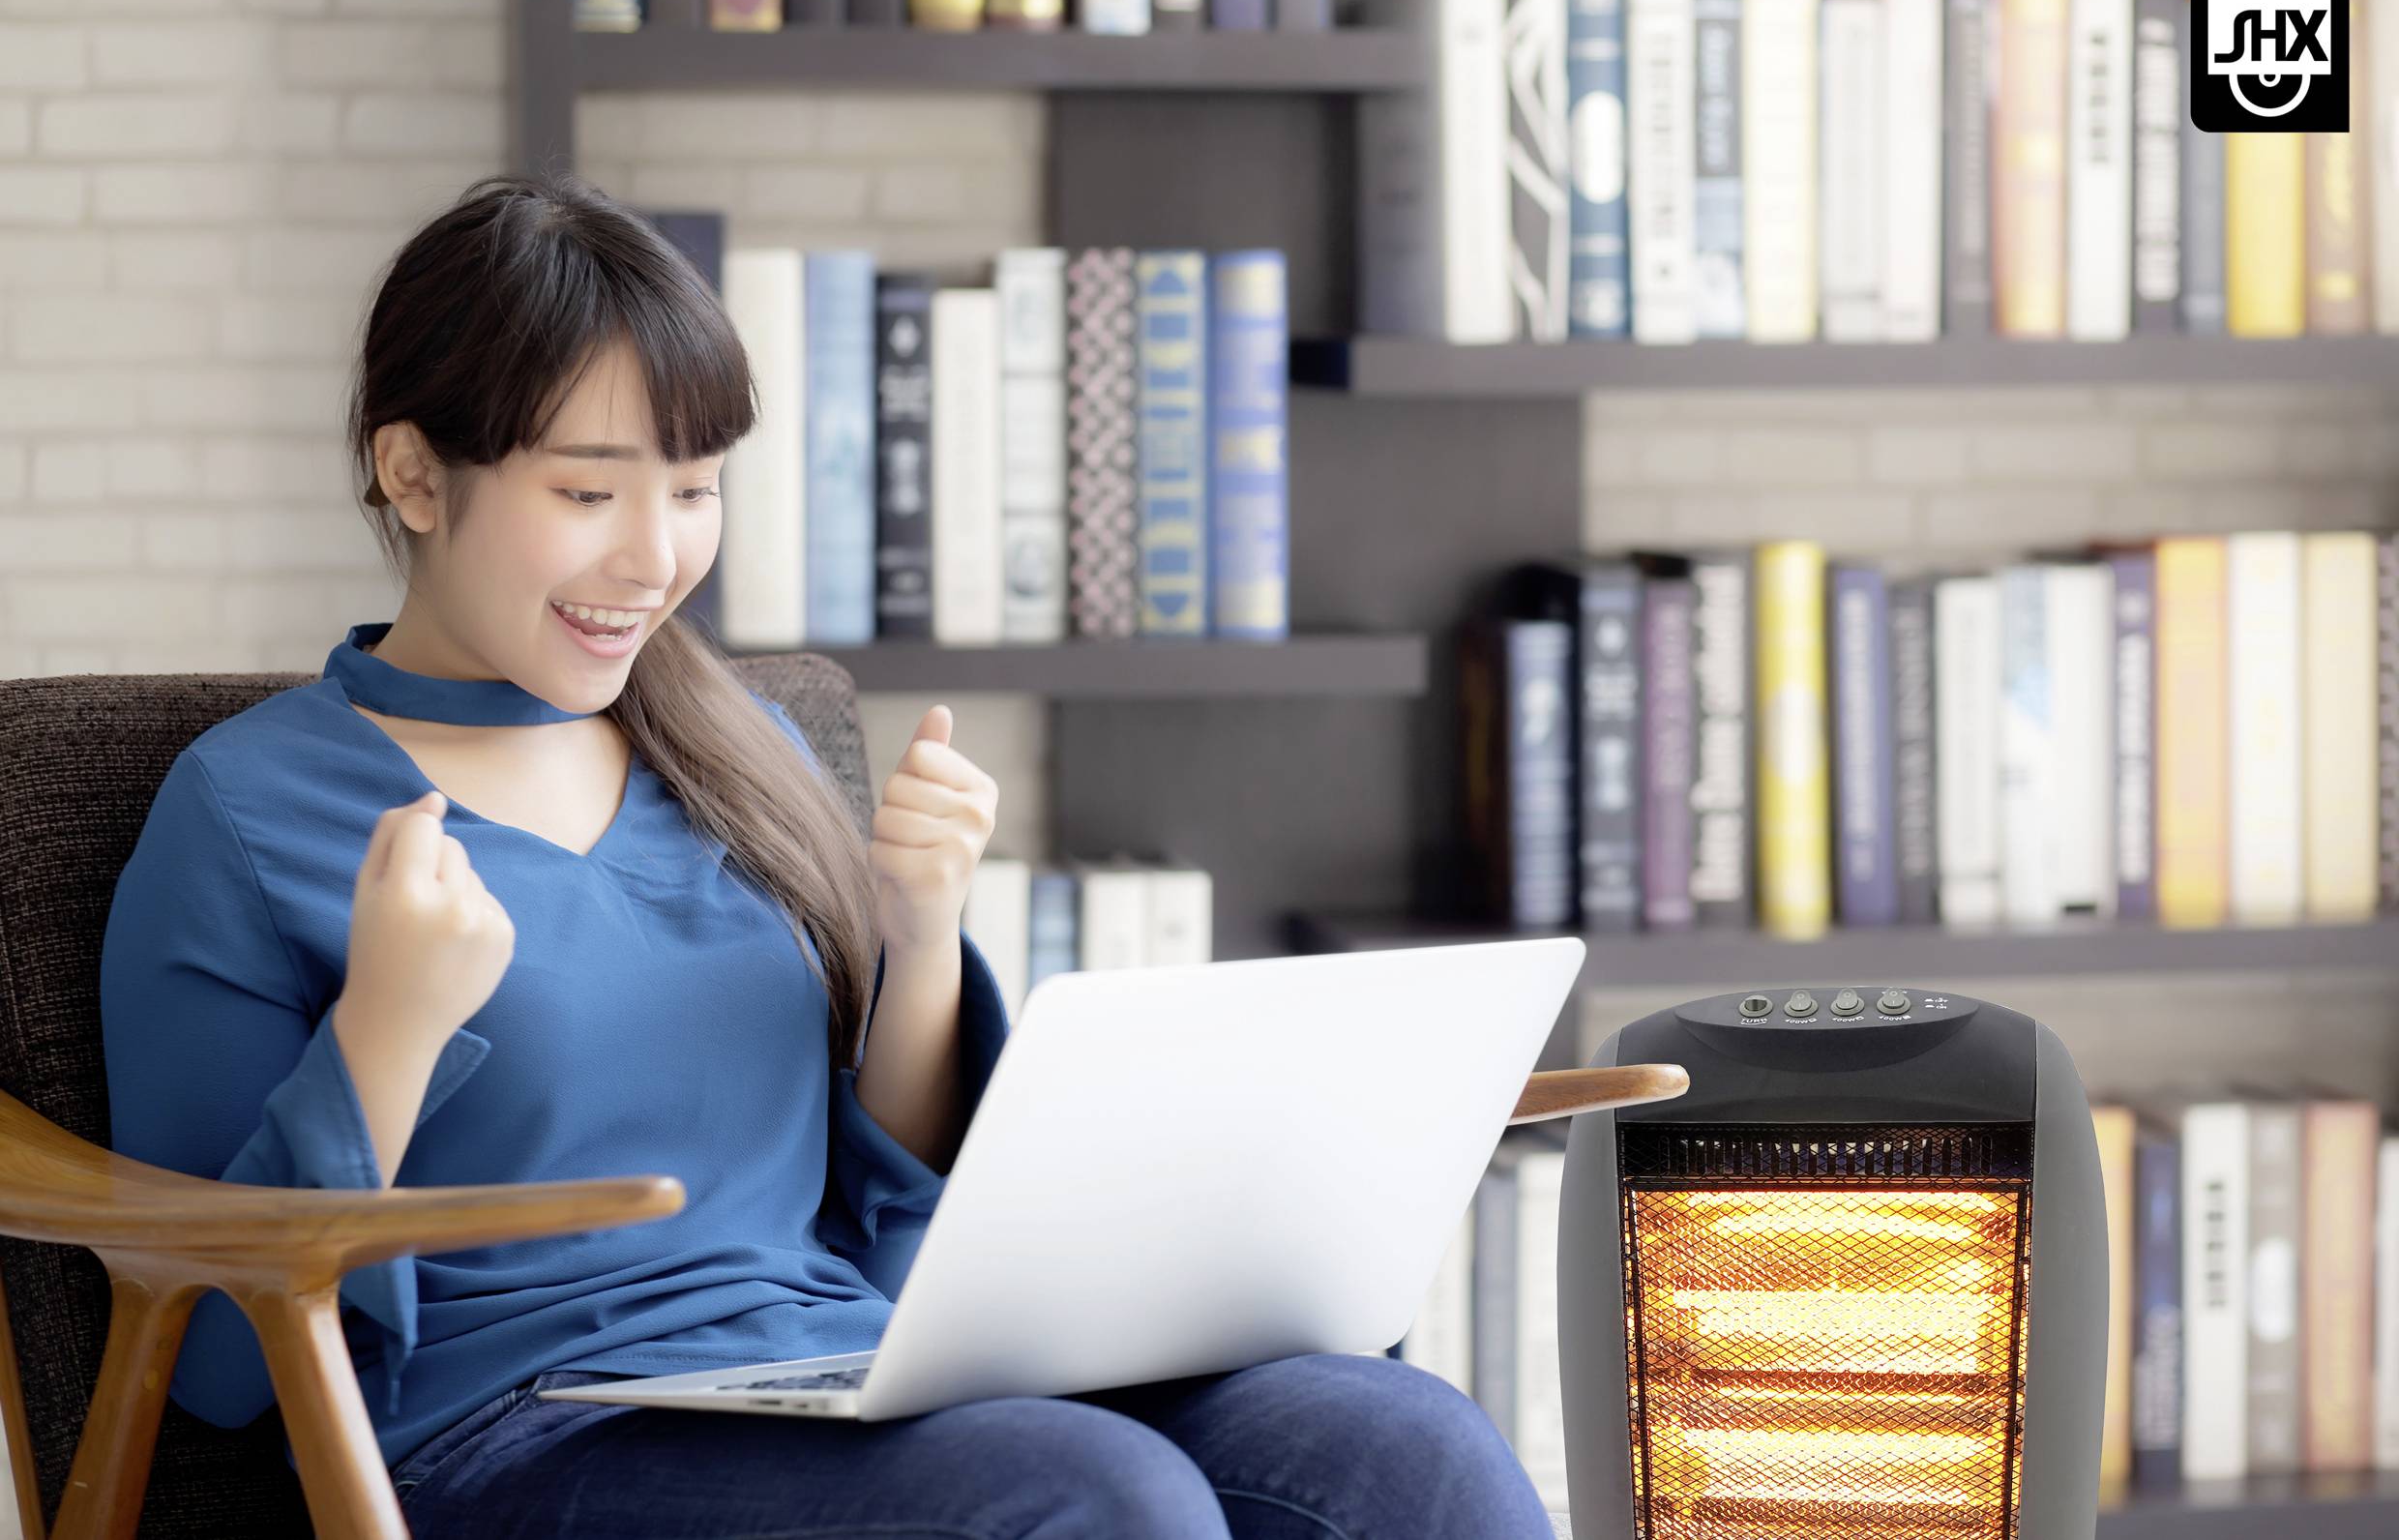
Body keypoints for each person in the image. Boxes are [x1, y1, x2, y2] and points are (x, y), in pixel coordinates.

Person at [97, 171, 1558, 1538]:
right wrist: (384, 1034)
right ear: (415, 476)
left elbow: (885, 1199)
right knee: (1091, 1497)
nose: (656, 559)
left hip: (832, 1367)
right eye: (589, 492)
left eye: (694, 487)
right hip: (511, 1437)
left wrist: (917, 937)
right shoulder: (247, 813)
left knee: (1401, 1441)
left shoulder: (732, 748)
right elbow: (219, 1362)